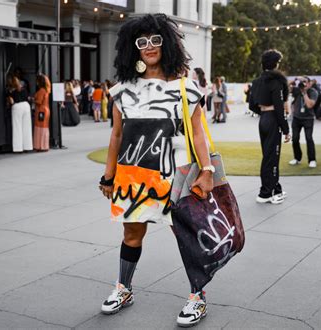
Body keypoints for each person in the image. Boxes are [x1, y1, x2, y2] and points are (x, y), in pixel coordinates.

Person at [99, 14, 214, 328]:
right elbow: (117, 134)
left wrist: (207, 171)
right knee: (132, 233)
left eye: (155, 40)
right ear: (133, 48)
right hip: (134, 174)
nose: (148, 47)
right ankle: (124, 288)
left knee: (187, 236)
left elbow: (198, 132)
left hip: (176, 173)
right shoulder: (122, 91)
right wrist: (109, 176)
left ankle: (197, 296)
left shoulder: (186, 87)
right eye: (142, 42)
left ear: (168, 44)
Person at [249, 49, 291, 204]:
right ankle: (266, 193)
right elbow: (280, 108)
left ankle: (275, 187)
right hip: (273, 120)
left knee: (268, 156)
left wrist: (263, 111)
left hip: (263, 120)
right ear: (275, 64)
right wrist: (286, 129)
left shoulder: (256, 82)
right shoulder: (277, 82)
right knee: (271, 158)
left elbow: (252, 105)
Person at [288, 76, 318, 168]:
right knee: (295, 139)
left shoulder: (313, 92)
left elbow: (309, 105)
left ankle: (312, 160)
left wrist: (304, 92)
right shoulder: (297, 90)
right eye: (302, 82)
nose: (303, 84)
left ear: (309, 83)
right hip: (297, 118)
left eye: (305, 82)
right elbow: (285, 87)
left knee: (309, 138)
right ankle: (297, 158)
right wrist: (296, 79)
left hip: (308, 119)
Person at [7, 76, 33, 153]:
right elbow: (28, 98)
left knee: (17, 127)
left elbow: (11, 102)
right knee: (27, 127)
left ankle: (18, 148)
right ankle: (27, 146)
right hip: (26, 106)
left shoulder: (11, 92)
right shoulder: (24, 89)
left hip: (17, 107)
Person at [33, 74, 51, 151]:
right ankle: (44, 145)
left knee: (39, 127)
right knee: (44, 128)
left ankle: (40, 146)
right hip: (46, 110)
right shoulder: (46, 90)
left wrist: (32, 99)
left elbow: (39, 102)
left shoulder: (41, 91)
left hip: (41, 110)